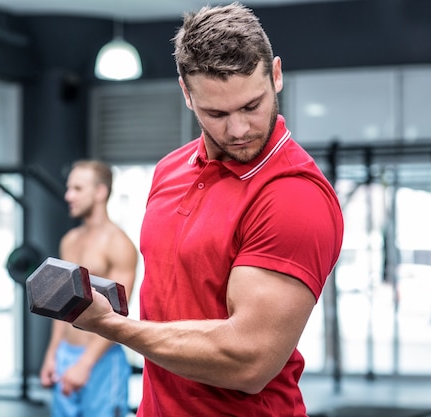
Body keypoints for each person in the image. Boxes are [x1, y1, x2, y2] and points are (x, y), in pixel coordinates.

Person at [65, 3, 345, 417]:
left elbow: (249, 361)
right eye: (217, 112)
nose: (238, 130)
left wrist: (111, 326)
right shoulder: (169, 170)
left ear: (277, 75)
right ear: (187, 94)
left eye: (252, 106)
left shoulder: (292, 197)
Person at [39, 160, 138, 417]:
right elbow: (59, 306)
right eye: (69, 188)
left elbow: (116, 316)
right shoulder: (69, 241)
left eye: (77, 188)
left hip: (100, 361)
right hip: (65, 355)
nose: (68, 195)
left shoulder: (119, 244)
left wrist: (85, 363)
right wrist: (52, 354)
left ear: (100, 192)